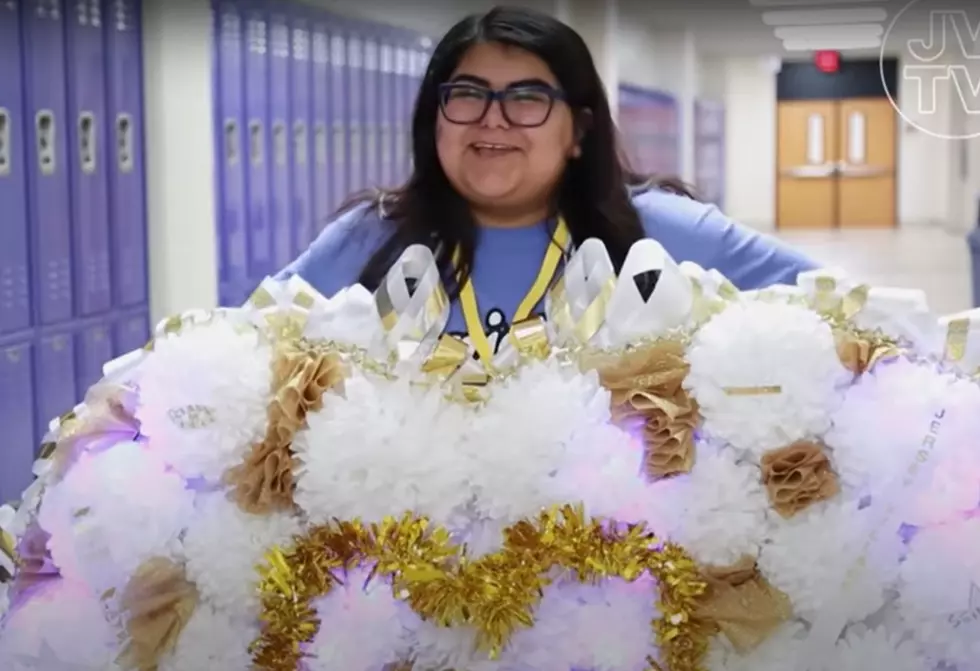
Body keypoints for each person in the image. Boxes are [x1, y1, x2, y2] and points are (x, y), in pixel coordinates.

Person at [279, 6, 817, 359]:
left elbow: (856, 326)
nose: (493, 119)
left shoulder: (664, 233)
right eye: (468, 93)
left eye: (527, 97)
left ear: (579, 130)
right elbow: (241, 359)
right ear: (434, 117)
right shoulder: (369, 238)